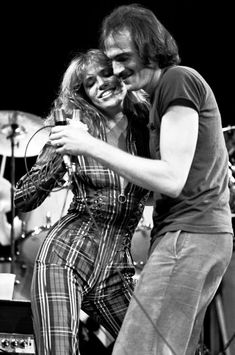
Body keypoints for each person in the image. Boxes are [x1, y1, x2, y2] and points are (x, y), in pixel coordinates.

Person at [49, 4, 234, 355]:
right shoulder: (164, 94)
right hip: (201, 236)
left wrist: (89, 145)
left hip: (188, 237)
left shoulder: (177, 80)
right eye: (110, 59)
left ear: (150, 45)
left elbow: (172, 177)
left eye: (123, 57)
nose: (116, 70)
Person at [14, 49, 150, 354]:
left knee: (151, 345)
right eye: (90, 82)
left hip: (117, 269)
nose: (101, 83)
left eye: (106, 73)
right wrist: (59, 148)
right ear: (84, 95)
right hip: (66, 256)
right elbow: (24, 198)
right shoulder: (79, 128)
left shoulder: (145, 129)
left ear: (122, 72)